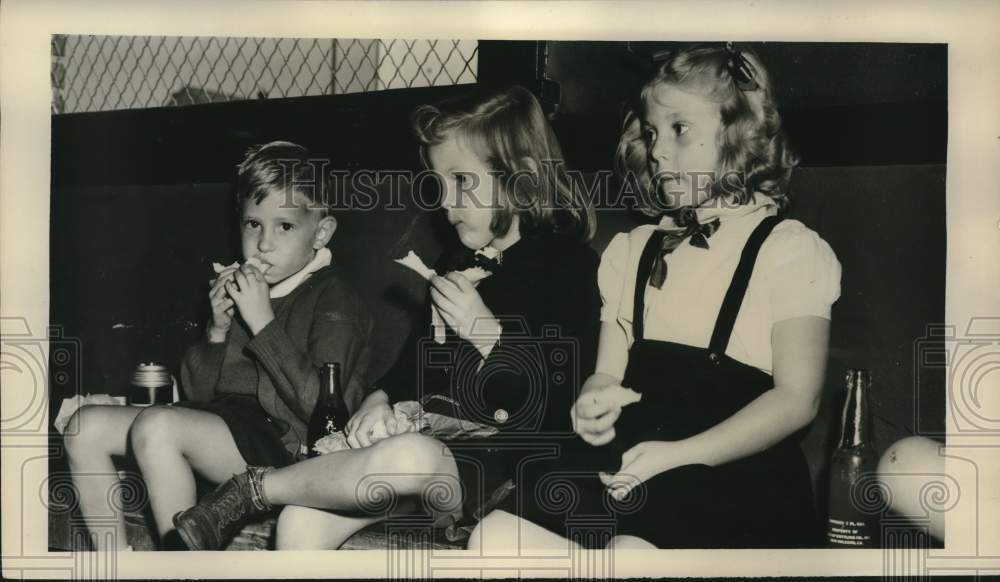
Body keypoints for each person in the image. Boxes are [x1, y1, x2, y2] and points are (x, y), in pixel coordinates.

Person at [171, 85, 601, 551]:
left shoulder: (567, 266)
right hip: (422, 460)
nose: (445, 202)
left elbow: (559, 402)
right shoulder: (458, 261)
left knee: (410, 454)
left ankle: (257, 488)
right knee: (300, 522)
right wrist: (379, 398)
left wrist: (484, 332)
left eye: (461, 182)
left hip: (500, 472)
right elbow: (414, 365)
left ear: (521, 179)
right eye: (440, 184)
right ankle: (277, 496)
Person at [472, 42, 842, 550]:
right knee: (494, 537)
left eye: (679, 129)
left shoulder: (789, 249)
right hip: (634, 462)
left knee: (629, 553)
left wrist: (680, 454)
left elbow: (798, 400)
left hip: (732, 478)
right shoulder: (634, 250)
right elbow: (607, 373)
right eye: (651, 133)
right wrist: (593, 405)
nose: (658, 149)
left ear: (738, 131)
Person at [63, 141, 374, 550]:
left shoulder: (334, 297)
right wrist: (217, 329)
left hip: (291, 452)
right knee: (83, 426)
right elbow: (199, 394)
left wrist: (262, 320)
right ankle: (117, 565)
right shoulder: (252, 287)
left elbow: (322, 409)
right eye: (252, 224)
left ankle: (188, 570)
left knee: (157, 427)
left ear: (322, 231)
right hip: (230, 431)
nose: (264, 243)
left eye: (285, 226)